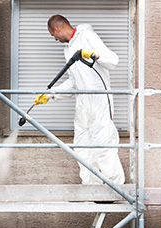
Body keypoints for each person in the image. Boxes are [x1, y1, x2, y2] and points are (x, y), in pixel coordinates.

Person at [34, 15, 125, 184]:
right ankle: (92, 189)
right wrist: (51, 94)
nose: (54, 39)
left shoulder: (87, 36)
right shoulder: (68, 49)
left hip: (99, 100)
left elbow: (113, 60)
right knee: (82, 147)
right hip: (82, 104)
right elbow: (75, 82)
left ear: (57, 29)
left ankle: (115, 188)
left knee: (104, 144)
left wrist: (95, 55)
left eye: (52, 35)